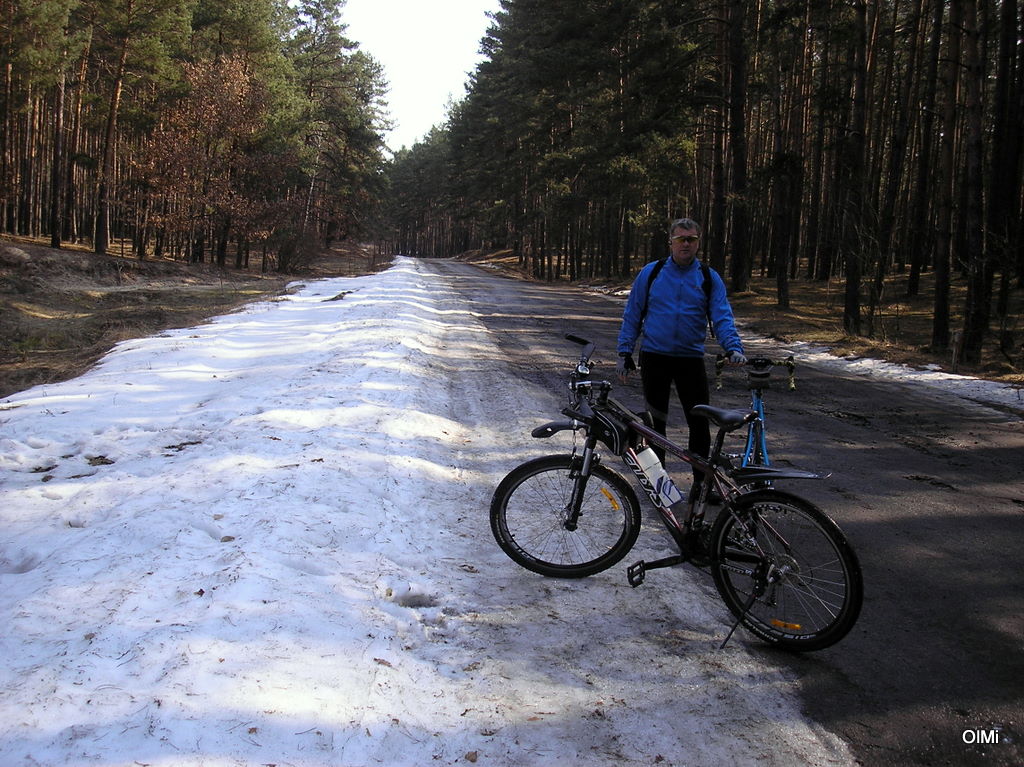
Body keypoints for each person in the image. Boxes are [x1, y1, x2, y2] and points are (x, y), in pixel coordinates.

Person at [616, 217, 746, 498]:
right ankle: (659, 485)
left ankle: (701, 486)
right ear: (671, 242)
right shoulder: (652, 273)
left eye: (691, 239)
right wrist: (625, 352)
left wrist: (733, 347)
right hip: (655, 357)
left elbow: (722, 316)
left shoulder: (708, 277)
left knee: (699, 423)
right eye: (681, 239)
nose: (686, 244)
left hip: (690, 359)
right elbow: (633, 314)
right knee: (655, 425)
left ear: (698, 242)